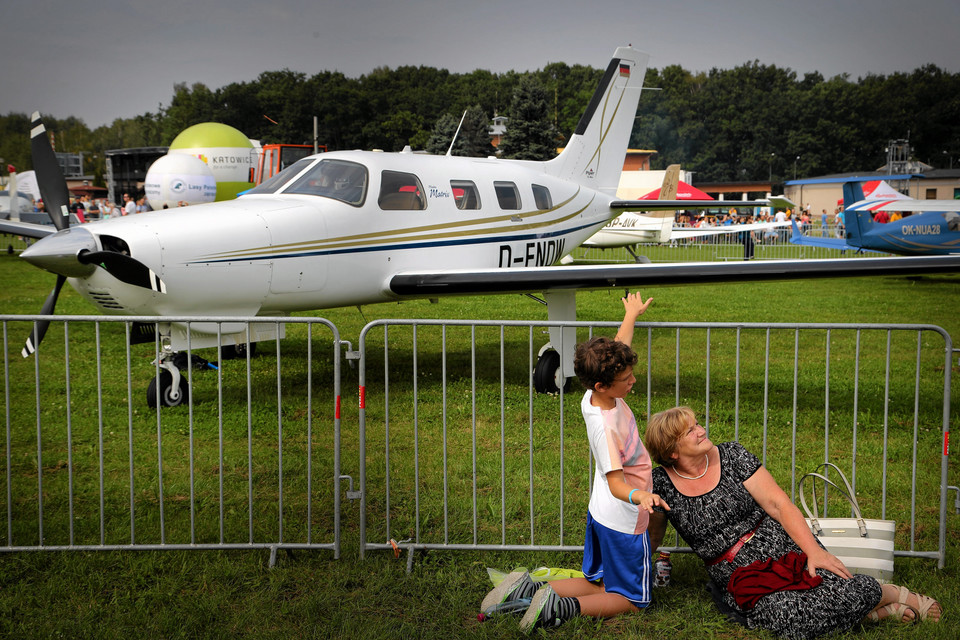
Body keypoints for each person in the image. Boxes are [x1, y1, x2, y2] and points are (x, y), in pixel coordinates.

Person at [645, 406, 942, 639]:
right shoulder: (662, 484)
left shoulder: (731, 456)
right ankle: (872, 612)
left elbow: (779, 504)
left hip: (783, 549)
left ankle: (885, 593)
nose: (701, 430)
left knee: (835, 589)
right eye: (690, 431)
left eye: (697, 423)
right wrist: (626, 576)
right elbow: (652, 538)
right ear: (672, 451)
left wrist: (814, 550)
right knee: (785, 618)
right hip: (742, 575)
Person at [481, 293, 668, 632]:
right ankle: (561, 607)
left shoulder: (592, 396)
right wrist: (641, 497)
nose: (633, 381)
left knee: (601, 583)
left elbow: (617, 348)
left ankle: (530, 587)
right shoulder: (608, 429)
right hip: (625, 519)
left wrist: (631, 316)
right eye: (627, 379)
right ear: (603, 384)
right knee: (631, 598)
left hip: (601, 514)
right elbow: (616, 482)